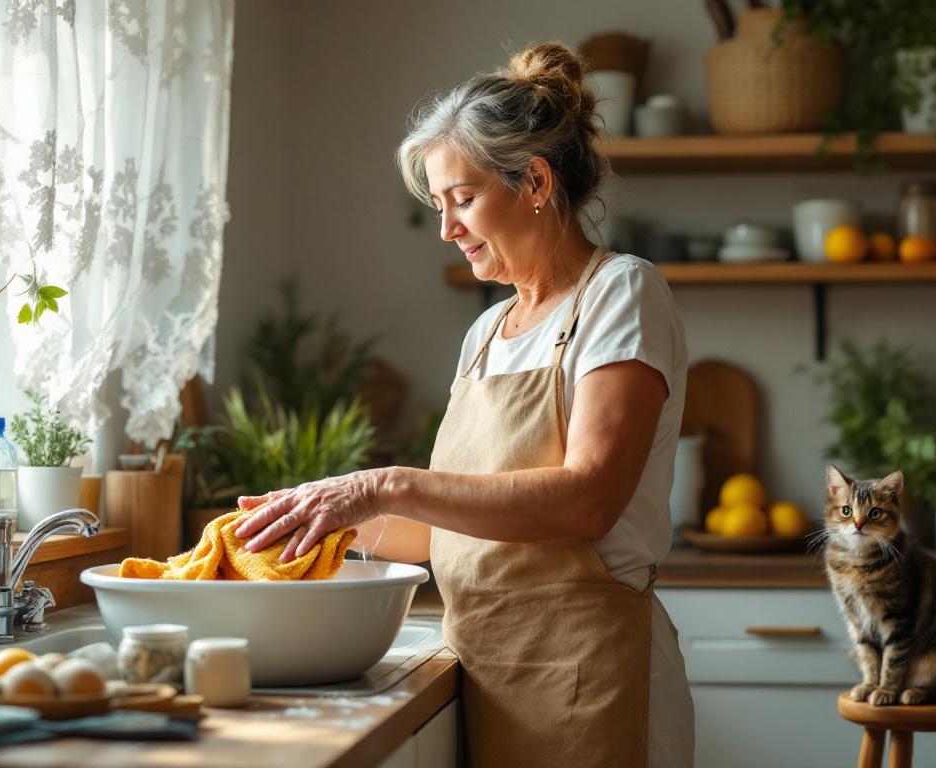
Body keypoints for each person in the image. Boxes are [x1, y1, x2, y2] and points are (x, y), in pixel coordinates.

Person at [234, 42, 694, 768]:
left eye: (463, 199)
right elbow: (458, 532)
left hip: (593, 679)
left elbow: (589, 500)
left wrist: (382, 483)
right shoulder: (485, 334)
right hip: (490, 676)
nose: (447, 228)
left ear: (535, 182)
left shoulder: (621, 293)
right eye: (440, 204)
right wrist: (320, 520)